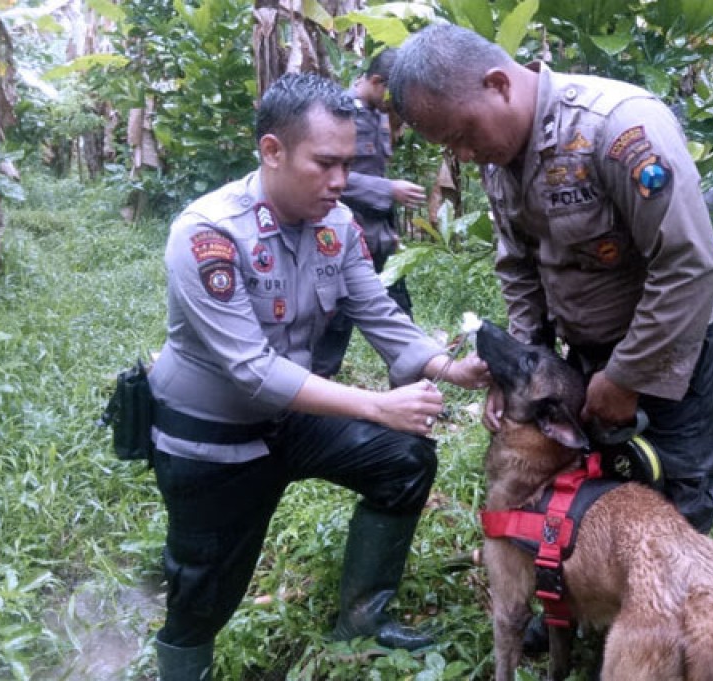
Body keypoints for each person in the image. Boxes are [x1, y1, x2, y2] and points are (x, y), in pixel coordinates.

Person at [147, 72, 487, 680]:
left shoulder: (338, 226)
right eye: (325, 163)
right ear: (272, 151)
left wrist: (448, 367)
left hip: (292, 419)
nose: (340, 183)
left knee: (404, 460)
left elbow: (379, 314)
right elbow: (251, 369)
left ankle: (362, 621)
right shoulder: (208, 235)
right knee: (203, 594)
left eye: (348, 165)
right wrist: (377, 405)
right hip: (213, 438)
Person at [389, 24, 713, 536]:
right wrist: (518, 370)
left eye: (463, 136)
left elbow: (688, 266)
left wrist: (628, 376)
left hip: (681, 343)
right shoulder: (500, 156)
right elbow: (518, 266)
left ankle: (668, 608)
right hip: (591, 347)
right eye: (452, 147)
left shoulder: (620, 129)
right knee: (592, 486)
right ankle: (589, 606)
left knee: (675, 493)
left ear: (498, 84)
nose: (464, 156)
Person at [312, 48, 426, 378]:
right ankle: (316, 392)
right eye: (394, 98)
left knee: (399, 312)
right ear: (377, 82)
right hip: (344, 235)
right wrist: (388, 190)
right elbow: (331, 179)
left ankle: (412, 388)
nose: (397, 110)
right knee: (337, 318)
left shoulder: (376, 113)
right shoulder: (339, 114)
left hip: (378, 235)